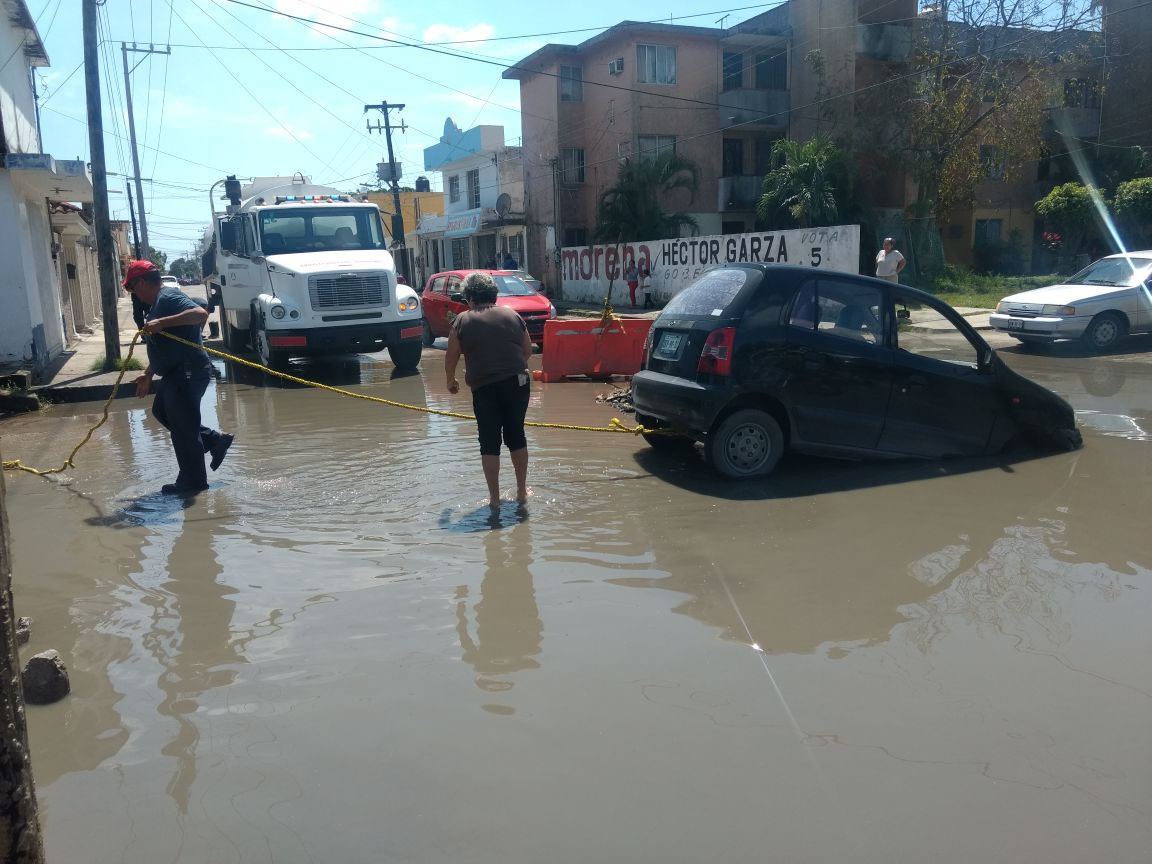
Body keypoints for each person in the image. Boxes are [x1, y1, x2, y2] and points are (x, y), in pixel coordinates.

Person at [124, 260, 234, 496]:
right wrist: (148, 373)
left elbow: (200, 313)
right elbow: (167, 345)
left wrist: (161, 323)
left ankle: (193, 483)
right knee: (161, 411)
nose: (134, 294)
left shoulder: (168, 297)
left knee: (184, 429)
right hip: (176, 372)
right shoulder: (158, 303)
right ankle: (214, 441)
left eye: (132, 288)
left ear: (141, 283)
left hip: (188, 372)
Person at [444, 273, 533, 508]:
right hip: (518, 382)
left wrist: (451, 380)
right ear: (493, 295)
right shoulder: (512, 315)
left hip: (484, 386)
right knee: (516, 434)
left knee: (489, 441)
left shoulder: (462, 320)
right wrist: (509, 368)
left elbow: (451, 355)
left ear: (470, 298)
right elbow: (527, 350)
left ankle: (494, 500)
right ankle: (522, 492)